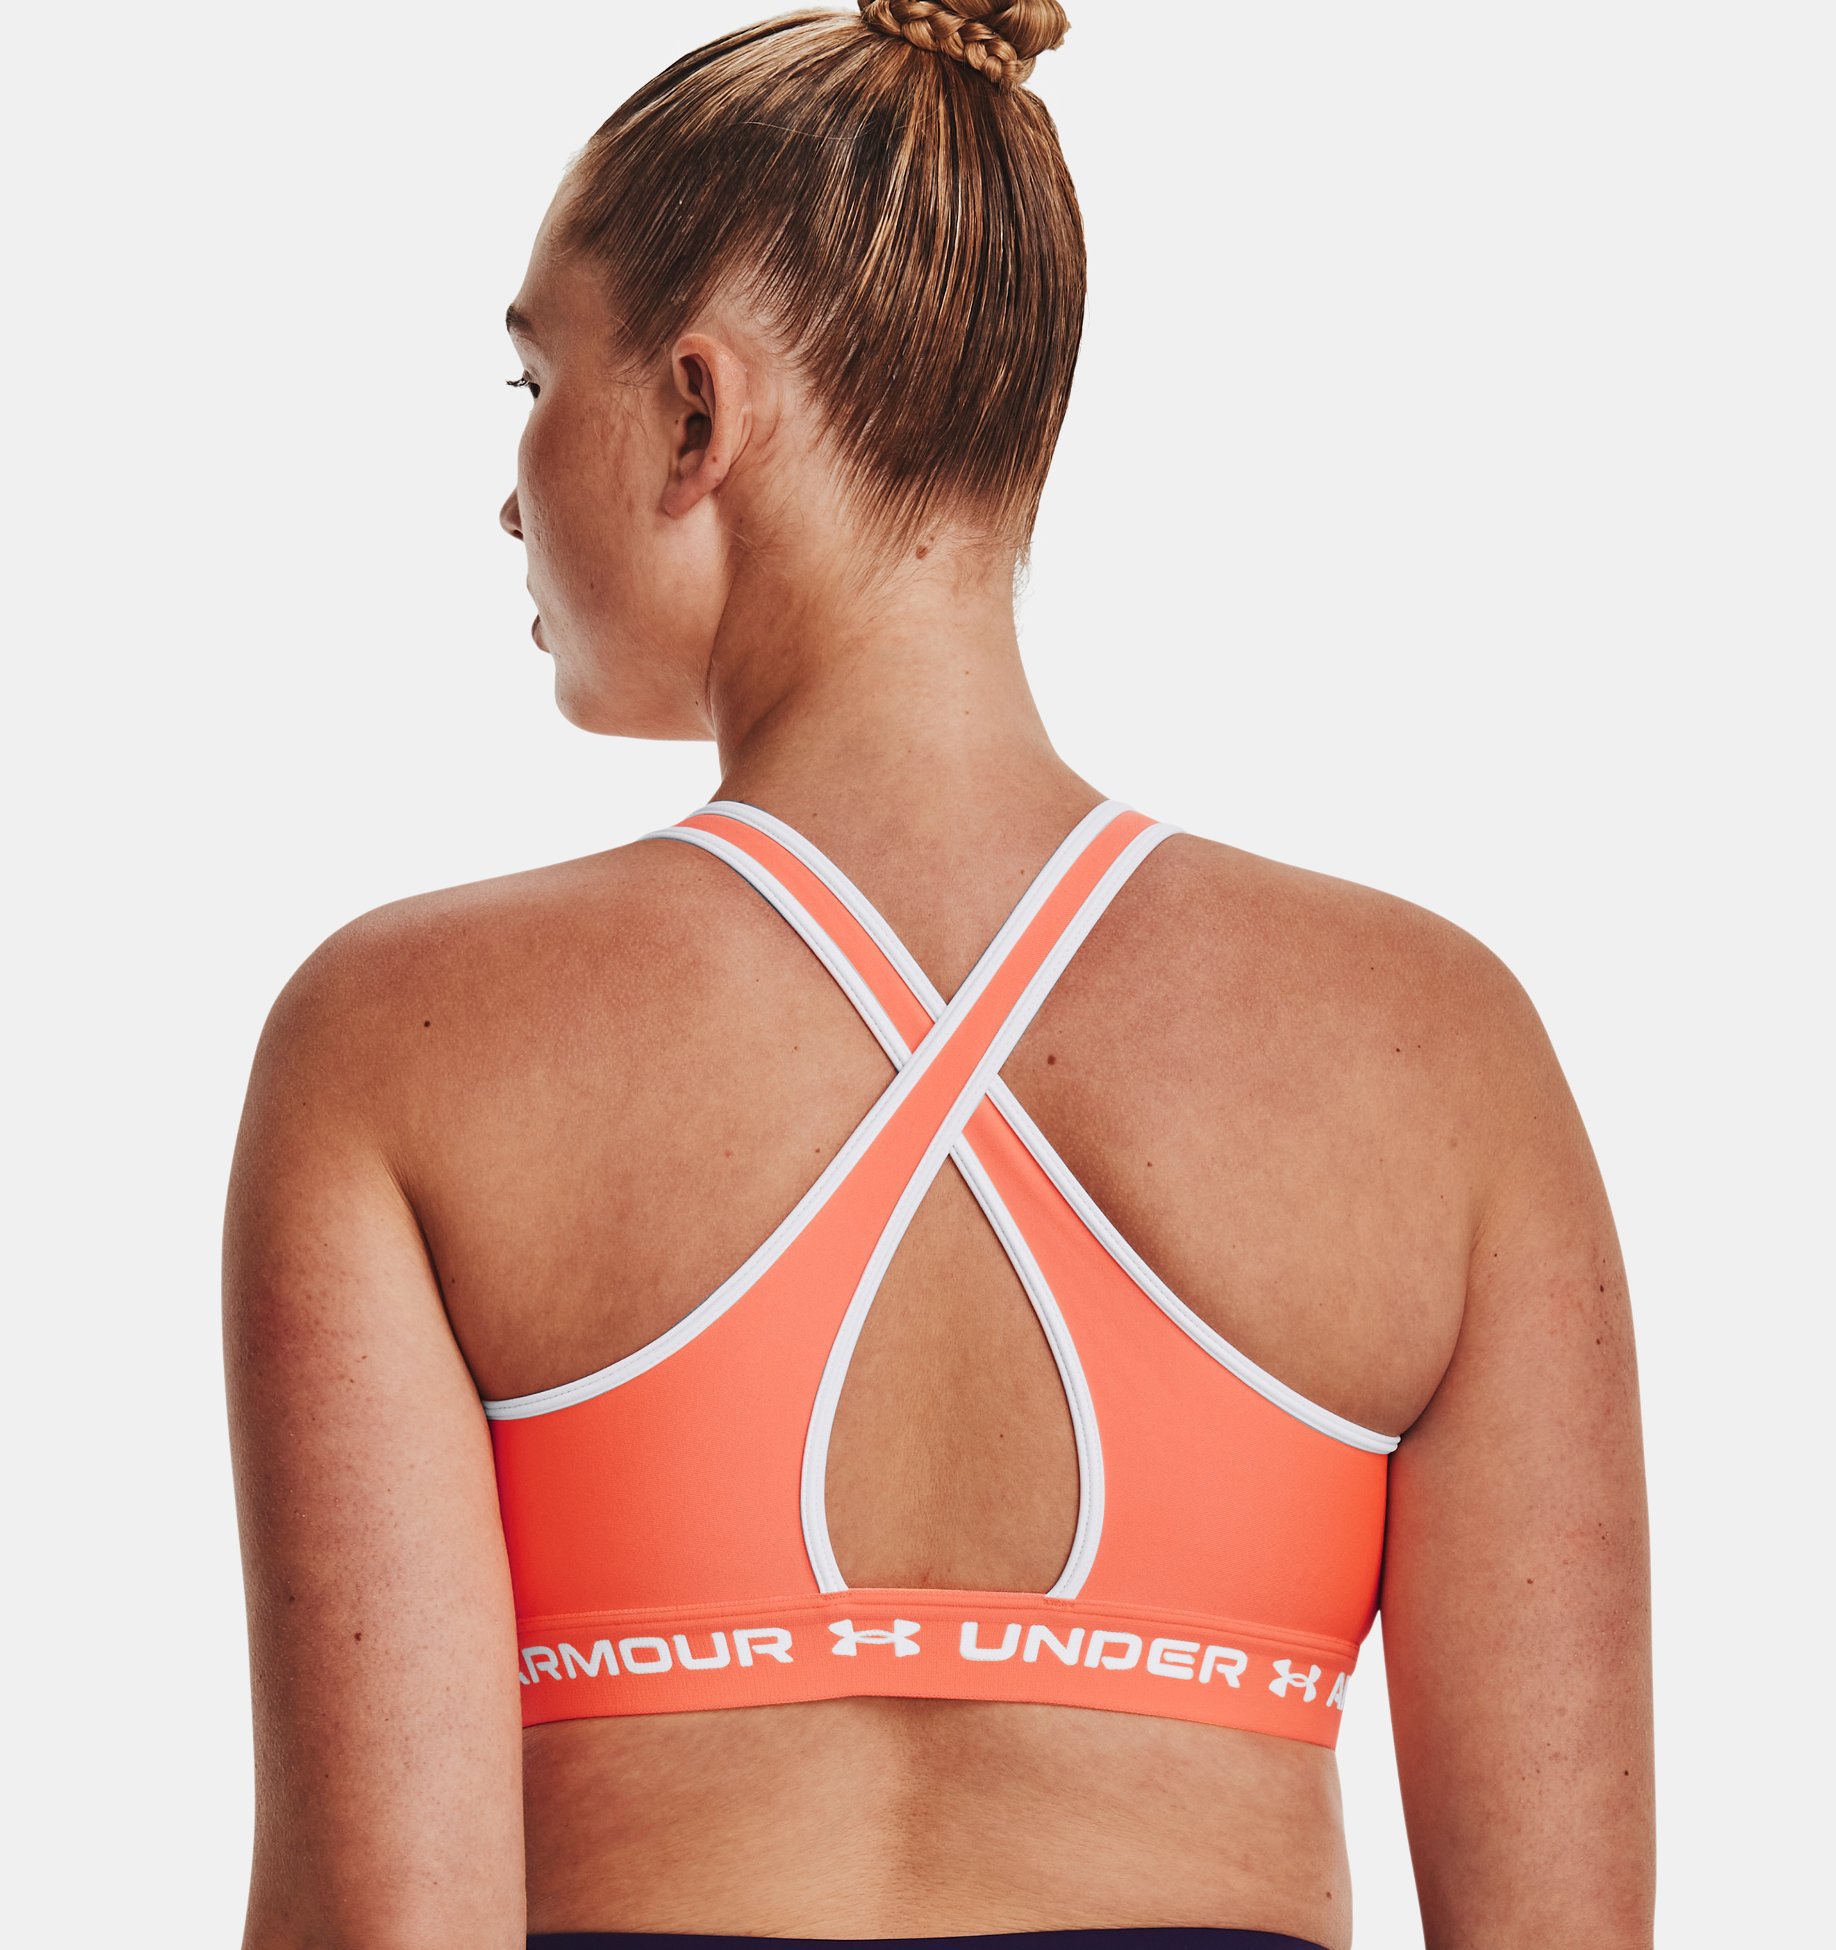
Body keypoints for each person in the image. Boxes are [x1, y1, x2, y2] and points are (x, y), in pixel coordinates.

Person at [221, 6, 1655, 1947]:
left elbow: (382, 1928)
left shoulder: (402, 1046)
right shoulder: (1435, 1051)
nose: (507, 489)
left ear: (699, 415)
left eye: (532, 377)